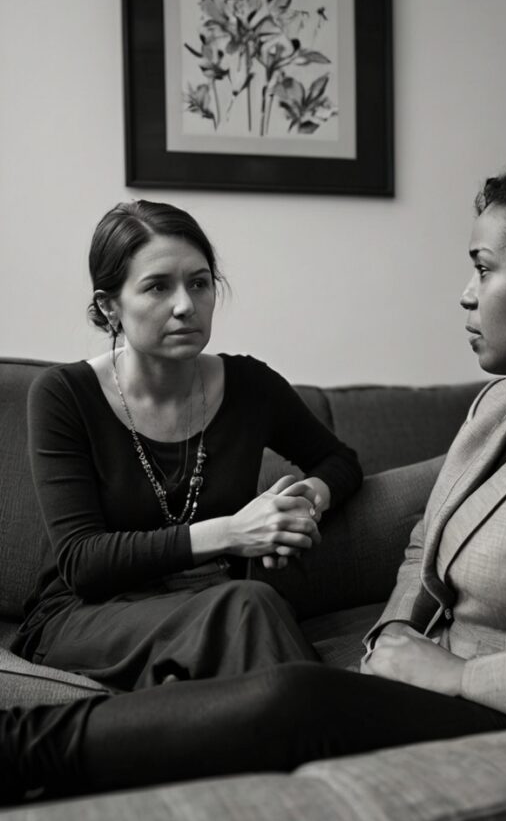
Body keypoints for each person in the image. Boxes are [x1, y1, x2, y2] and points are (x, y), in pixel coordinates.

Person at [4, 115, 506, 807]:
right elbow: (423, 547)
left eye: (483, 268)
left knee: (290, 685)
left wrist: (448, 673)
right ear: (109, 306)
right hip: (119, 616)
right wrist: (389, 639)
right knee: (280, 671)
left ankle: (30, 751)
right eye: (156, 287)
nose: (464, 292)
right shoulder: (500, 406)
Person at [11, 200, 362, 690]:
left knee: (246, 612)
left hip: (211, 607)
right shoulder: (63, 395)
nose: (185, 305)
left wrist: (303, 503)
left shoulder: (250, 385)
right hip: (88, 616)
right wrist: (233, 532)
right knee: (250, 606)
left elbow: (339, 461)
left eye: (199, 283)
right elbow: (83, 562)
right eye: (158, 286)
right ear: (110, 306)